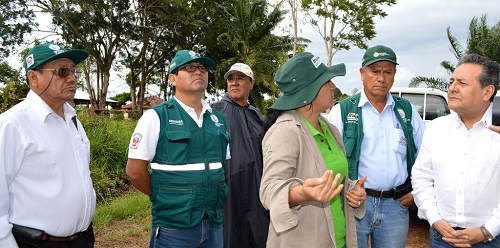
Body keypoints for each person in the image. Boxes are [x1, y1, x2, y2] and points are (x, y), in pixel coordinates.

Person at [260, 52, 367, 248]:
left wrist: (352, 191)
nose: (333, 86)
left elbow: (329, 177)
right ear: (309, 92)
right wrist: (302, 193)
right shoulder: (285, 131)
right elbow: (269, 190)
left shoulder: (329, 129)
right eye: (327, 82)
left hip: (338, 240)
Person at [126, 50, 230, 248]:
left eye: (202, 68)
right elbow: (134, 171)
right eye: (189, 68)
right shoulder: (156, 117)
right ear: (172, 79)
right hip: (174, 227)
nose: (198, 72)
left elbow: (222, 167)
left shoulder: (218, 119)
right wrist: (161, 196)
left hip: (214, 223)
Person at [328, 45, 426, 248]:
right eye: (375, 71)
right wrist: (347, 189)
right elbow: (330, 158)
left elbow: (426, 156)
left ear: (394, 75)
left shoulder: (406, 111)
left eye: (387, 72)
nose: (381, 78)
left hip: (396, 205)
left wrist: (416, 193)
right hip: (355, 203)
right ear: (362, 73)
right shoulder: (344, 111)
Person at [0, 43, 96, 248]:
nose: (72, 78)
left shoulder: (72, 120)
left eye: (73, 71)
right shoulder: (13, 124)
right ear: (34, 78)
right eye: (62, 71)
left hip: (83, 239)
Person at [412, 54, 500, 247]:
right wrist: (435, 219)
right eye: (451, 81)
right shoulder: (436, 128)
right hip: (442, 236)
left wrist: (488, 230)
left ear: (487, 92)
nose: (452, 88)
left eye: (462, 83)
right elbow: (421, 177)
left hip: (493, 238)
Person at [210, 63, 269, 248]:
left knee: (258, 232)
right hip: (228, 188)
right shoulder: (214, 112)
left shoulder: (256, 115)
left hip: (256, 186)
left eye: (240, 78)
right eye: (230, 79)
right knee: (230, 234)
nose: (234, 83)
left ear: (251, 83)